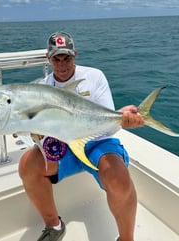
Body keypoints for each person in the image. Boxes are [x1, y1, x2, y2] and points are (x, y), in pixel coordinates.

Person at [19, 31, 144, 241]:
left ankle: (127, 239)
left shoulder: (94, 76)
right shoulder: (40, 89)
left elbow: (108, 128)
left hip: (96, 141)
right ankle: (54, 226)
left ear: (75, 55)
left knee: (119, 180)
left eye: (66, 57)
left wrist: (121, 119)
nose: (62, 64)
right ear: (48, 59)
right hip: (61, 147)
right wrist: (34, 133)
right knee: (27, 165)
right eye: (56, 59)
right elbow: (34, 132)